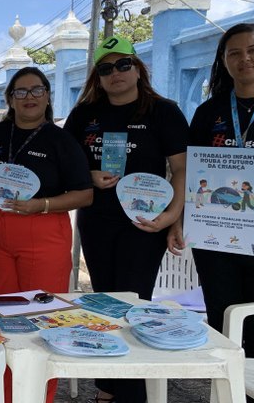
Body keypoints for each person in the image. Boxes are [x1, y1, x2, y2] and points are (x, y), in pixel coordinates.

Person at [64, 35, 189, 403]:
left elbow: (181, 169)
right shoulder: (84, 114)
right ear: (97, 77)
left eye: (123, 65)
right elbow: (68, 165)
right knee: (104, 301)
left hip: (143, 224)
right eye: (106, 68)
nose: (115, 73)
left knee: (134, 304)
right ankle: (107, 388)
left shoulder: (162, 111)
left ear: (137, 68)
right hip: (97, 221)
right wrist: (89, 175)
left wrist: (172, 215)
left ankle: (132, 393)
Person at [0, 67, 93, 403]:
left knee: (42, 321)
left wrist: (41, 205)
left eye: (36, 90)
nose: (29, 97)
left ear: (47, 96)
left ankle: (39, 397)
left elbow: (84, 194)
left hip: (44, 232)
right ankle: (5, 395)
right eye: (20, 92)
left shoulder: (61, 139)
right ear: (9, 99)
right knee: (3, 320)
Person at [188, 23, 254, 366]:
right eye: (234, 53)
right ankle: (223, 393)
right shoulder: (208, 113)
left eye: (253, 50)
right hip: (214, 235)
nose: (245, 58)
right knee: (221, 320)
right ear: (224, 62)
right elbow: (190, 171)